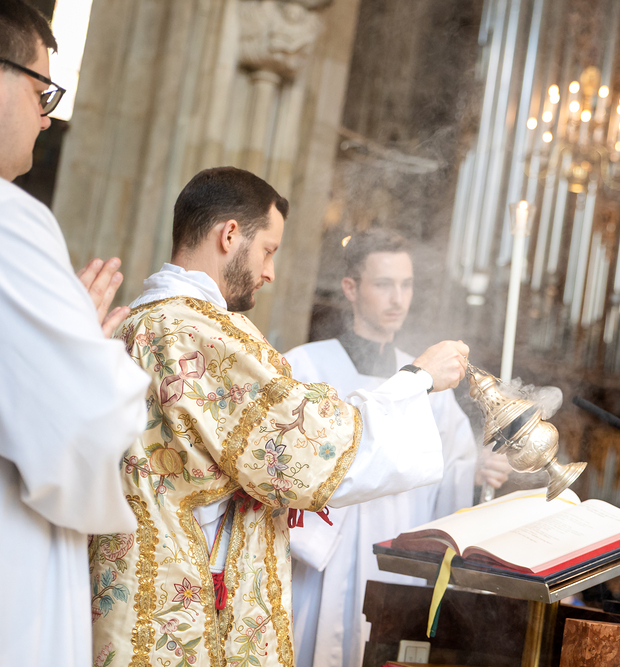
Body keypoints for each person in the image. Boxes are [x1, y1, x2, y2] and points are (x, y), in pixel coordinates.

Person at [89, 167, 469, 667]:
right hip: (181, 609)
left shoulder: (139, 319)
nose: (270, 272)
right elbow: (315, 454)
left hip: (137, 584)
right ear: (229, 235)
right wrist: (418, 379)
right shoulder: (198, 332)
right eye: (268, 250)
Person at [0, 3, 153, 666]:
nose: (46, 117)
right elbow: (86, 422)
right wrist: (92, 355)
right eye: (42, 91)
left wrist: (63, 339)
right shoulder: (9, 220)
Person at [283, 229, 509, 667]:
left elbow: (452, 467)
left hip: (394, 560)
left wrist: (474, 473)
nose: (398, 299)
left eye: (406, 285)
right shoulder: (306, 366)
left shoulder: (431, 382)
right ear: (351, 288)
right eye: (384, 284)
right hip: (321, 562)